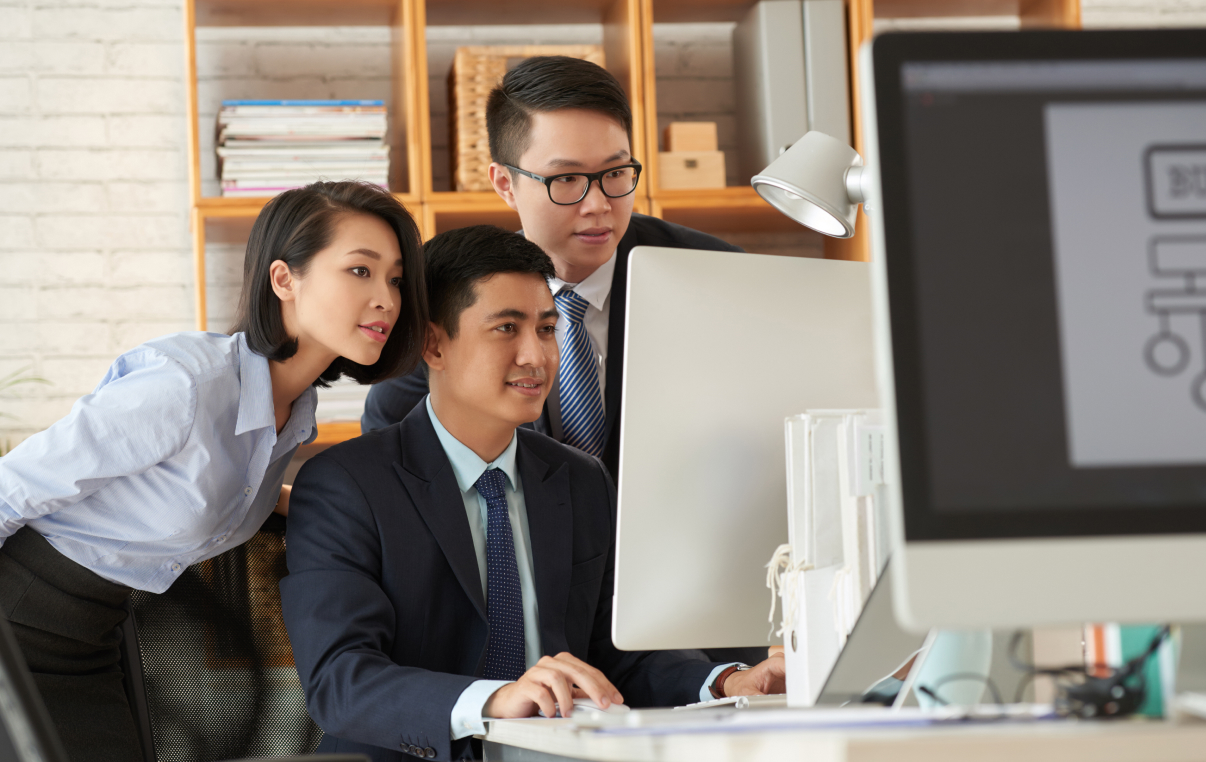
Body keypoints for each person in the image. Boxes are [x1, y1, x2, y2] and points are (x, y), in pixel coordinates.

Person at [280, 225, 785, 762]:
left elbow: (617, 657)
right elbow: (342, 681)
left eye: (547, 330)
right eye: (506, 328)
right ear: (433, 344)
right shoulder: (345, 484)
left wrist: (728, 682)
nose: (537, 357)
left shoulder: (579, 479)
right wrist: (496, 698)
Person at [0, 181, 428, 762]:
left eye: (395, 279)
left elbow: (237, 495)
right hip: (19, 618)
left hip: (95, 636)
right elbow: (13, 487)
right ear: (284, 280)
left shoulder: (293, 413)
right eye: (360, 271)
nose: (386, 298)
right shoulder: (187, 387)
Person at [362, 55, 743, 482]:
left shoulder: (714, 273)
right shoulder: (446, 285)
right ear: (505, 184)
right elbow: (389, 449)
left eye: (616, 172)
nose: (598, 204)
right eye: (566, 180)